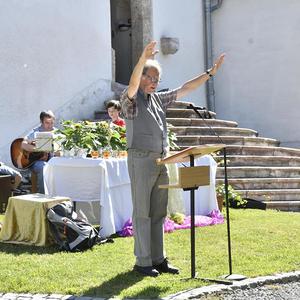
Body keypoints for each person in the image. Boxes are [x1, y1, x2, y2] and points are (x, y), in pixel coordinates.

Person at [120, 41, 225, 277]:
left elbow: (185, 88)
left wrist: (209, 74)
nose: (155, 83)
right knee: (142, 213)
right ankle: (143, 262)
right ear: (142, 76)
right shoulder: (131, 101)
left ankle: (158, 259)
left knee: (159, 212)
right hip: (141, 160)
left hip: (161, 161)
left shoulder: (157, 99)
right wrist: (141, 59)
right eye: (151, 78)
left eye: (158, 80)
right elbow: (133, 83)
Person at [21, 110, 58, 194]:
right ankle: (44, 196)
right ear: (41, 122)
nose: (50, 125)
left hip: (53, 160)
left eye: (52, 122)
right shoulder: (35, 132)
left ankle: (59, 196)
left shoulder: (57, 133)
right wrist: (39, 149)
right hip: (37, 162)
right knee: (44, 167)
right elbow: (23, 144)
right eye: (47, 123)